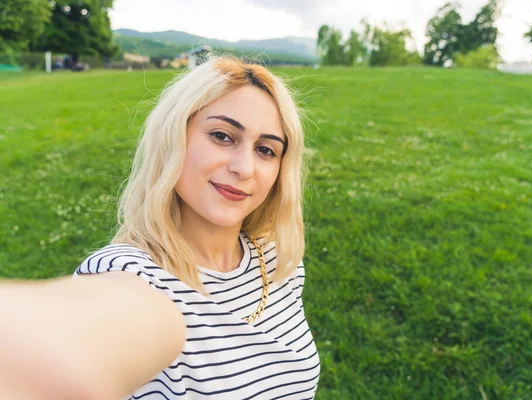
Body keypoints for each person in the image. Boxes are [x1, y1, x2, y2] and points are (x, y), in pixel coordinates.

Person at [0, 56, 320, 399]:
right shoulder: (137, 277)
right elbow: (56, 344)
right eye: (222, 136)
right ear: (173, 137)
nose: (245, 168)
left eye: (265, 150)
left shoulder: (277, 261)